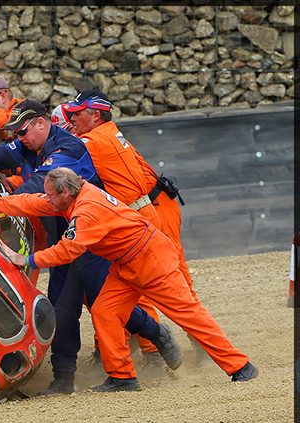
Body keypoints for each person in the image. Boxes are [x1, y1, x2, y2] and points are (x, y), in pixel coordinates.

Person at [0, 100, 181, 395]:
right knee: (63, 307)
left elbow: (36, 189)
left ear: (41, 123)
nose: (18, 139)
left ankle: (151, 335)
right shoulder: (29, 143)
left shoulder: (66, 150)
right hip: (64, 239)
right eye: (17, 134)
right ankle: (64, 379)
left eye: (22, 132)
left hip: (92, 239)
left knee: (103, 304)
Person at [0, 166, 258, 391]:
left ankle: (240, 366)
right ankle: (122, 377)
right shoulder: (76, 194)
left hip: (150, 261)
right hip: (128, 261)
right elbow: (31, 202)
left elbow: (67, 250)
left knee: (189, 314)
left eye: (51, 195)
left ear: (66, 193)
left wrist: (26, 260)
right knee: (104, 310)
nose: (47, 199)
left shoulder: (87, 212)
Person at [64, 89, 211, 366]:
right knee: (172, 280)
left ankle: (159, 352)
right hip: (157, 204)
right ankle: (194, 342)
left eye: (77, 114)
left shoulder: (91, 140)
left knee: (150, 284)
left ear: (95, 115)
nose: (73, 119)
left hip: (148, 210)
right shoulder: (107, 132)